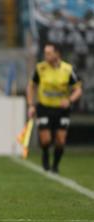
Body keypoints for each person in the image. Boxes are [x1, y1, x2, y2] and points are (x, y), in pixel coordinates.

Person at [26, 43, 82, 173]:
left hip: (62, 109)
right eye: (45, 53)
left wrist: (69, 100)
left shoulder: (68, 69)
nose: (46, 56)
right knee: (45, 140)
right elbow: (31, 86)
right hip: (44, 107)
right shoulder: (40, 68)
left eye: (49, 53)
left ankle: (55, 166)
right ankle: (45, 154)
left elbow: (78, 90)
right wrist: (31, 105)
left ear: (57, 54)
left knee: (60, 140)